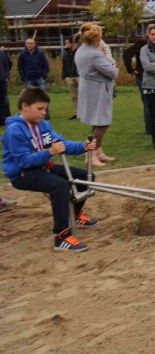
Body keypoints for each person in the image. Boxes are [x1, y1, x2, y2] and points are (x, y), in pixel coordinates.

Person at [1, 87, 98, 252]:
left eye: (45, 108)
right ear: (25, 107)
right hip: (22, 173)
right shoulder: (14, 130)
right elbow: (24, 161)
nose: (44, 112)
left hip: (42, 166)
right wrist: (49, 152)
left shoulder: (43, 125)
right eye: (40, 108)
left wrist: (83, 146)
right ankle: (61, 237)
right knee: (59, 186)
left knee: (85, 177)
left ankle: (75, 215)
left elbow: (61, 143)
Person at [75, 23, 119, 166]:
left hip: (90, 87)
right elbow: (113, 72)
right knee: (102, 122)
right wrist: (112, 65)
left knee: (97, 121)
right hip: (97, 89)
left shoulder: (81, 50)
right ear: (95, 39)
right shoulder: (94, 54)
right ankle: (90, 154)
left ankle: (98, 151)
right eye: (99, 37)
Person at [123, 38, 154, 136]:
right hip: (143, 77)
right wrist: (130, 70)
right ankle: (150, 130)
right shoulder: (142, 43)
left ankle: (153, 127)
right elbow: (127, 54)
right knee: (148, 103)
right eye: (152, 34)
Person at [18, 37, 50, 118]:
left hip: (40, 78)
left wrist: (44, 75)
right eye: (28, 43)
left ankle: (45, 113)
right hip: (28, 79)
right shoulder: (22, 54)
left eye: (31, 43)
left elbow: (46, 65)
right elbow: (20, 67)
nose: (29, 45)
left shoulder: (40, 53)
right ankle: (32, 113)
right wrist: (23, 77)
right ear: (25, 44)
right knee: (30, 98)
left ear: (34, 44)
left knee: (43, 96)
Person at [61, 35, 80, 119]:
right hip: (69, 76)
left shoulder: (79, 51)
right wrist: (64, 75)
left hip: (79, 76)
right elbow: (64, 64)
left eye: (67, 43)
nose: (66, 44)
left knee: (83, 95)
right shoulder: (65, 52)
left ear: (72, 43)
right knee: (74, 96)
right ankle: (76, 113)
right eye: (65, 43)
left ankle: (86, 112)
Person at [0, 46, 11, 125]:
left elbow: (8, 65)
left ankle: (3, 119)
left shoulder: (2, 54)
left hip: (2, 81)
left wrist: (6, 76)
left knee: (3, 100)